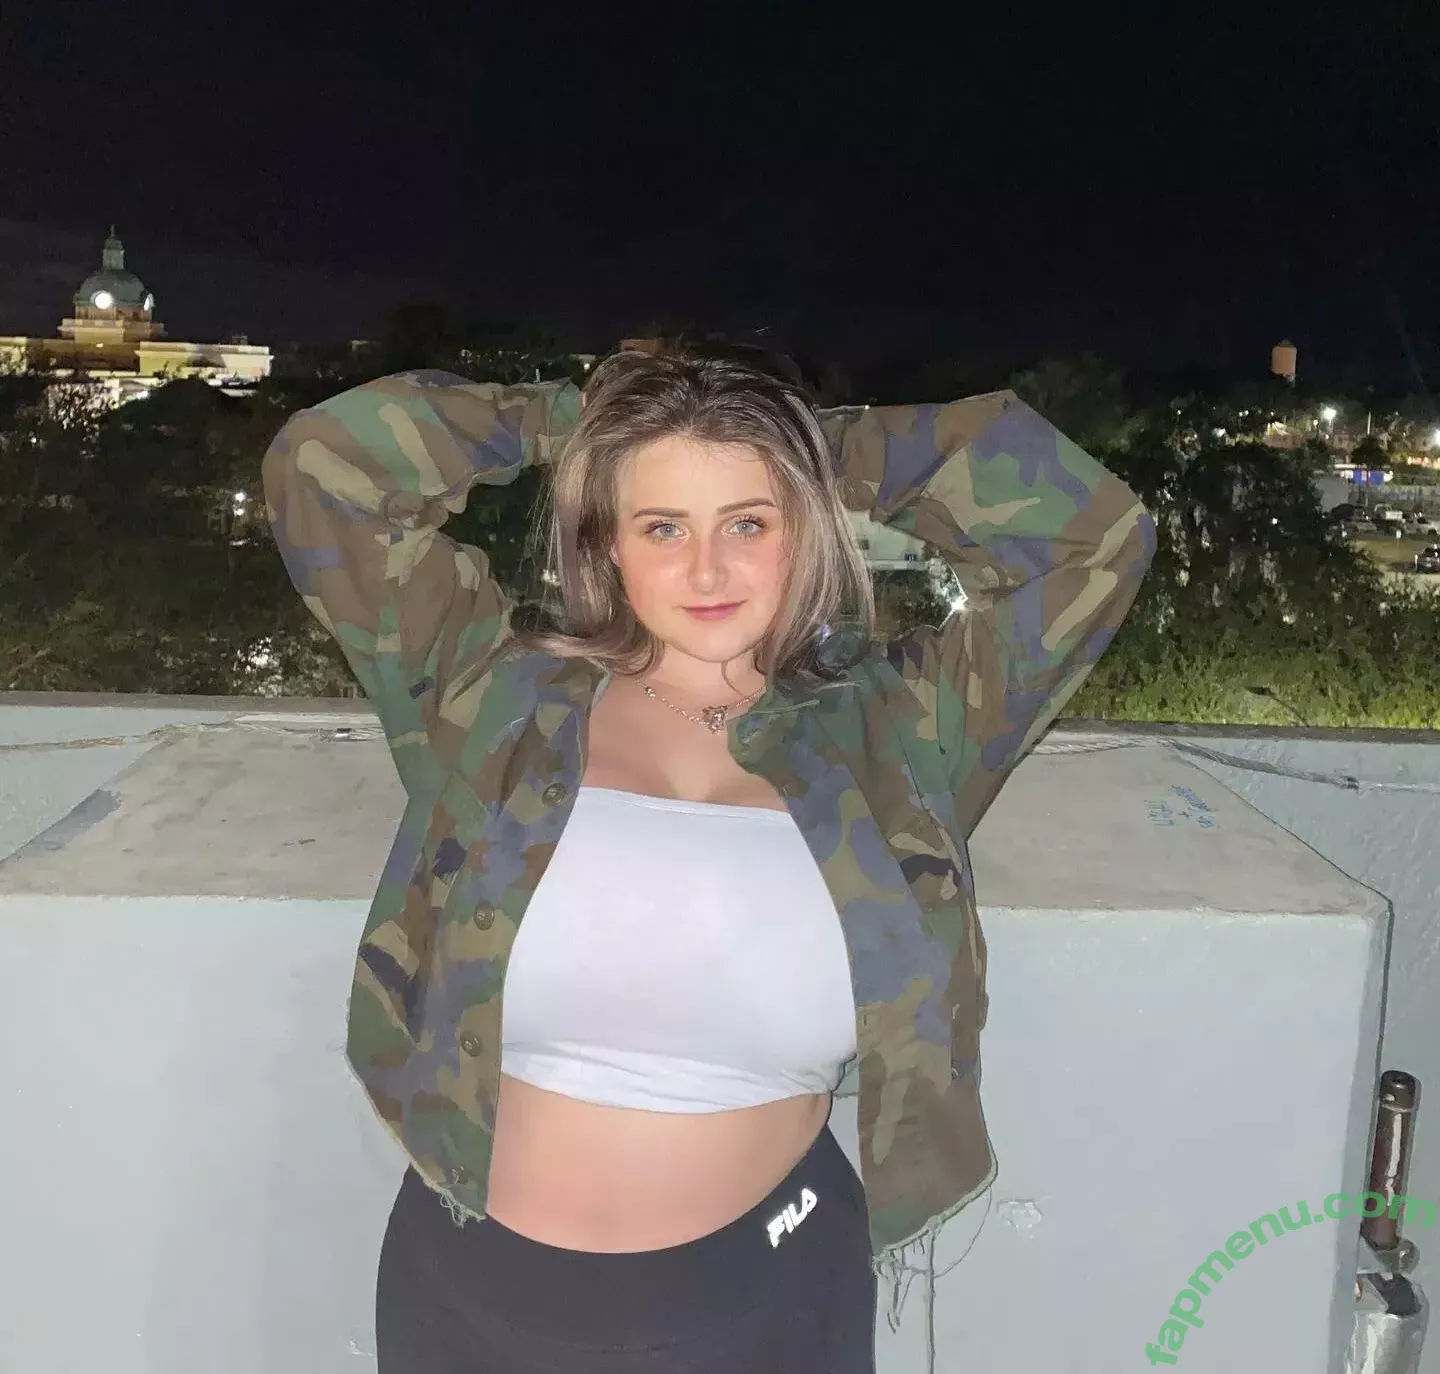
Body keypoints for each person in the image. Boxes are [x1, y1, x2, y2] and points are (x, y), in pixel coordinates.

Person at [262, 343, 1155, 1374]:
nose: (706, 569)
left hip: (766, 1300)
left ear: (801, 529)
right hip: (466, 1297)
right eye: (661, 525)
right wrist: (584, 424)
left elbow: (1092, 537)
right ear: (608, 544)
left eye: (748, 522)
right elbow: (324, 467)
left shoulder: (904, 730)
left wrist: (796, 439)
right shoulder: (488, 701)